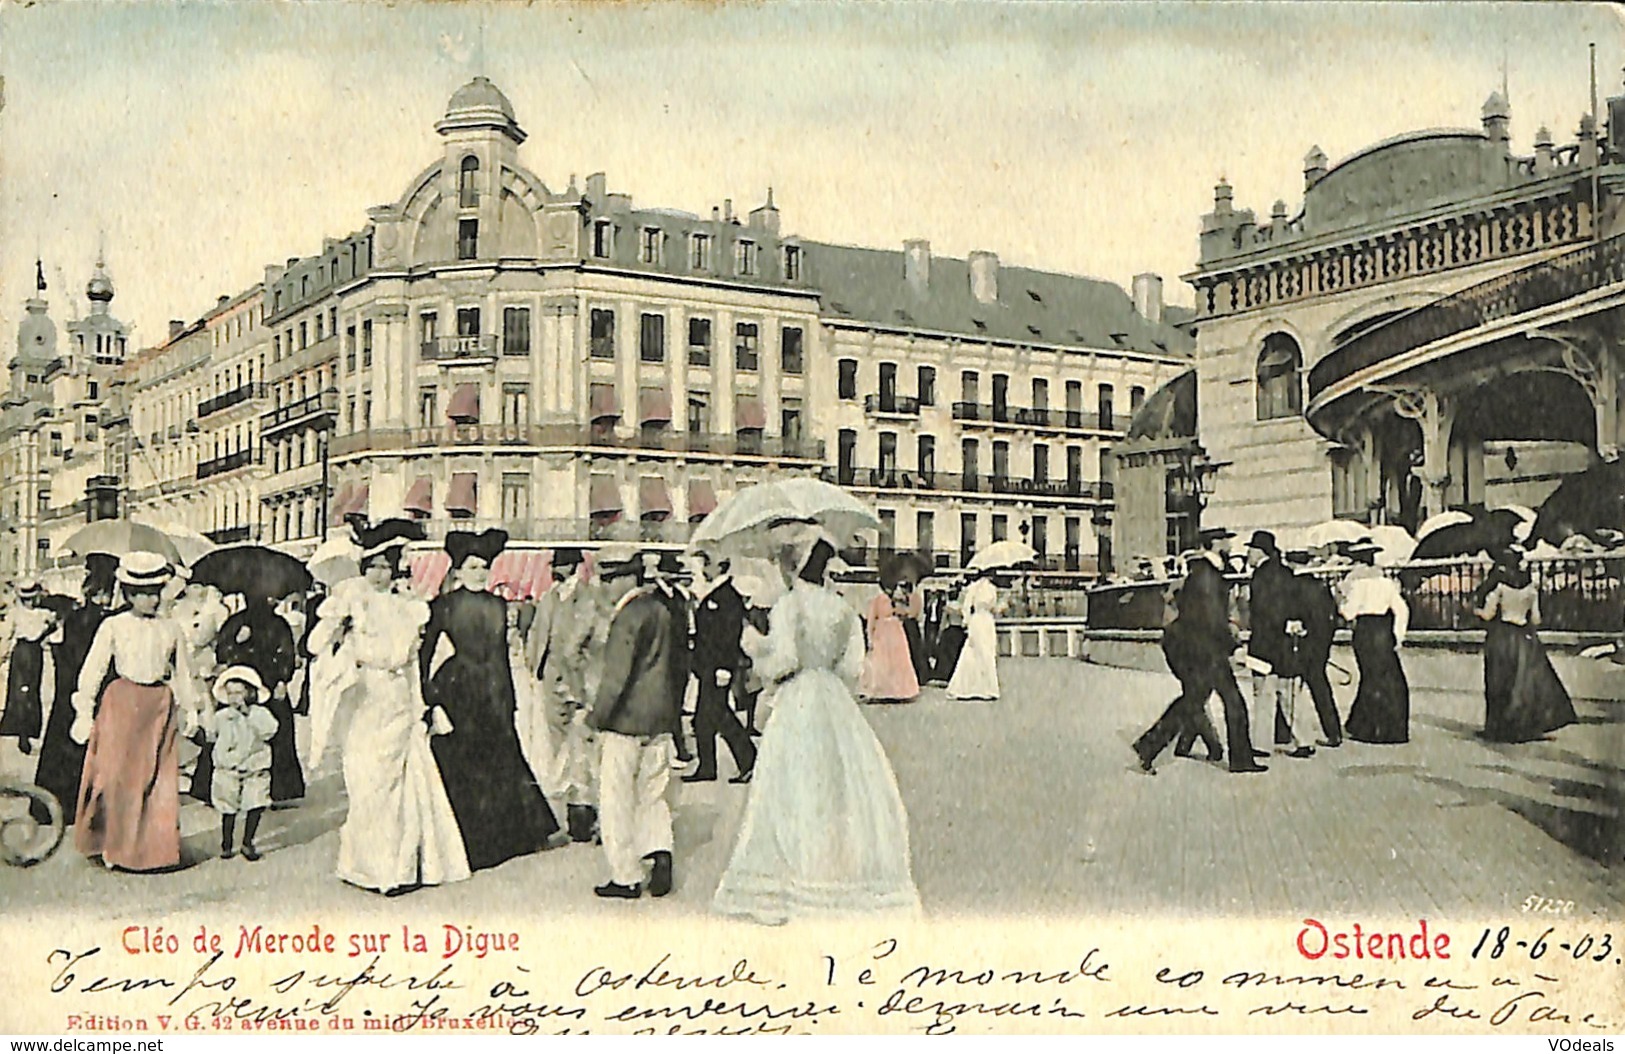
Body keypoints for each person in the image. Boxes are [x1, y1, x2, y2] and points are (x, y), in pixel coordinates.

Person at [714, 536, 921, 925]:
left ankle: (799, 873)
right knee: (834, 786)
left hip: (799, 700)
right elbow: (851, 668)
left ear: (792, 566)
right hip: (832, 698)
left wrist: (754, 646)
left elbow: (785, 660)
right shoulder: (841, 608)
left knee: (791, 787)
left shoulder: (789, 606)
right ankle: (835, 868)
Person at [306, 522, 469, 895]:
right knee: (366, 783)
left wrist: (420, 707)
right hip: (364, 700)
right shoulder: (350, 600)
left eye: (386, 565)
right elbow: (314, 646)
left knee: (397, 783)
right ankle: (362, 864)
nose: (380, 572)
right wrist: (339, 627)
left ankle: (393, 869)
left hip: (396, 700)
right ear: (363, 566)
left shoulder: (407, 607)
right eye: (373, 565)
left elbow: (412, 665)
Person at [421, 529, 562, 871]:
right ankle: (473, 843)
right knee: (466, 763)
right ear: (458, 569)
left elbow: (500, 654)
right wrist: (427, 697)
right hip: (459, 689)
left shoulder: (498, 605)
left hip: (494, 687)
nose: (479, 572)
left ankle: (512, 838)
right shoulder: (442, 606)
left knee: (501, 758)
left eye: (484, 566)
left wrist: (508, 699)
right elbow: (425, 655)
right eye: (472, 566)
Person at [69, 553, 202, 871]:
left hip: (158, 707)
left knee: (158, 781)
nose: (152, 598)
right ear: (128, 593)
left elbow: (183, 672)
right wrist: (83, 712)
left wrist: (192, 709)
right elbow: (94, 669)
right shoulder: (113, 625)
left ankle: (154, 852)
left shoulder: (171, 628)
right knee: (116, 778)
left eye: (157, 591)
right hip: (122, 704)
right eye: (143, 592)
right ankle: (112, 845)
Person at [586, 546, 685, 899]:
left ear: (628, 578)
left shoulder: (626, 616)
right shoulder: (662, 609)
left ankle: (625, 876)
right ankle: (660, 853)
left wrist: (595, 719)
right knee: (654, 794)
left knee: (616, 798)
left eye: (611, 579)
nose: (606, 586)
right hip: (659, 717)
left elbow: (616, 677)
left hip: (625, 722)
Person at [1134, 527, 1265, 775]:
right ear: (1216, 543)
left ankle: (1148, 747)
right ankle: (1240, 760)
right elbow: (1212, 618)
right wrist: (1233, 646)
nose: (1230, 545)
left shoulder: (1202, 572)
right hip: (1208, 650)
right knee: (1233, 703)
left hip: (1197, 648)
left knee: (1191, 702)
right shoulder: (1207, 575)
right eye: (1226, 541)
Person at [522, 546, 600, 842]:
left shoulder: (588, 598)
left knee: (581, 744)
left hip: (578, 680)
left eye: (565, 565)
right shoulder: (549, 597)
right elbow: (537, 633)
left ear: (576, 567)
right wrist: (534, 665)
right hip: (550, 677)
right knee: (558, 743)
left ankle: (584, 811)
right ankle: (573, 809)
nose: (560, 571)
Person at [32, 556, 118, 826]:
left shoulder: (74, 617)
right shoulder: (107, 621)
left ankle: (52, 806)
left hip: (66, 691)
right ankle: (86, 806)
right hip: (91, 689)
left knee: (60, 745)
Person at [209, 588, 304, 804]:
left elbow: (287, 653)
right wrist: (237, 639)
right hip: (241, 683)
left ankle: (280, 789)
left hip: (270, 681)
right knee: (231, 733)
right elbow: (221, 652)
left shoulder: (279, 624)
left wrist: (283, 679)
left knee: (277, 732)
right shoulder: (235, 622)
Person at [1474, 546, 1577, 742]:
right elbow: (1537, 619)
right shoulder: (1530, 589)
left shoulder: (1500, 587)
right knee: (1522, 683)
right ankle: (1524, 726)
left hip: (1502, 637)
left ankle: (1498, 728)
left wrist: (1476, 612)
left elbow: (1488, 614)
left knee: (1498, 681)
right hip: (1523, 637)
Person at [683, 552, 756, 784]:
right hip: (709, 666)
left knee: (720, 716)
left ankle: (749, 760)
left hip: (718, 668)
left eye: (708, 563)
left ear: (721, 566)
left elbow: (728, 635)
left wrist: (724, 667)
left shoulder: (727, 597)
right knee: (705, 718)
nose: (704, 567)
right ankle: (708, 766)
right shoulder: (716, 594)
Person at [1245, 530, 1313, 759]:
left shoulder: (1260, 577)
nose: (1248, 555)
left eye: (1250, 550)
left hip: (1263, 643)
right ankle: (1304, 740)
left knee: (1264, 694)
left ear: (1259, 551)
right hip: (1285, 643)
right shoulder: (1286, 573)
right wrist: (1291, 623)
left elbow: (1261, 612)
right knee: (1288, 692)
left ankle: (1262, 744)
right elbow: (1297, 605)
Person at [1338, 541, 1411, 744]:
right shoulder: (1386, 582)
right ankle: (1391, 727)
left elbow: (1349, 612)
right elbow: (1402, 609)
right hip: (1383, 630)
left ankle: (1368, 727)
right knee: (1389, 678)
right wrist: (1398, 635)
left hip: (1365, 631)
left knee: (1370, 677)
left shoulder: (1355, 583)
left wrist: (1341, 601)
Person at [208, 665, 278, 861]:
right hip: (228, 768)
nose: (234, 698)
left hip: (254, 766)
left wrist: (250, 715)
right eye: (230, 693)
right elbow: (212, 735)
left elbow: (270, 730)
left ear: (250, 693)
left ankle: (248, 841)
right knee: (227, 804)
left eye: (239, 693)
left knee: (255, 801)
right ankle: (227, 842)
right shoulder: (222, 716)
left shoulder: (260, 714)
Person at [1287, 550, 1343, 748]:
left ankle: (1285, 732)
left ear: (1292, 565)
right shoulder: (1320, 586)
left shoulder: (1292, 587)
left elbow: (1291, 615)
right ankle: (1334, 732)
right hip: (1321, 642)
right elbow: (1333, 616)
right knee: (1320, 687)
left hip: (1300, 643)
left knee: (1289, 688)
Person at [1, 580, 60, 755]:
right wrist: (2, 655)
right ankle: (22, 732)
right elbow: (7, 636)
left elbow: (55, 626)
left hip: (33, 654)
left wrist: (46, 633)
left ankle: (27, 729)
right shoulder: (16, 614)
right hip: (23, 653)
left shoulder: (44, 614)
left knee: (30, 690)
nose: (31, 602)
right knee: (21, 691)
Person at [860, 580, 922, 703]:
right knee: (882, 660)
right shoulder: (877, 600)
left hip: (896, 630)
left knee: (898, 660)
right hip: (883, 631)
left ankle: (899, 690)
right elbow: (871, 619)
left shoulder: (897, 599)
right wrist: (870, 637)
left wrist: (900, 607)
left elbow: (906, 614)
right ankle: (881, 690)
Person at [946, 570, 1001, 701]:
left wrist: (967, 621)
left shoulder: (976, 588)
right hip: (984, 621)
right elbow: (991, 608)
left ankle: (977, 686)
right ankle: (985, 687)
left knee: (978, 652)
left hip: (980, 621)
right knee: (983, 652)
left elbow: (966, 607)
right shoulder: (987, 588)